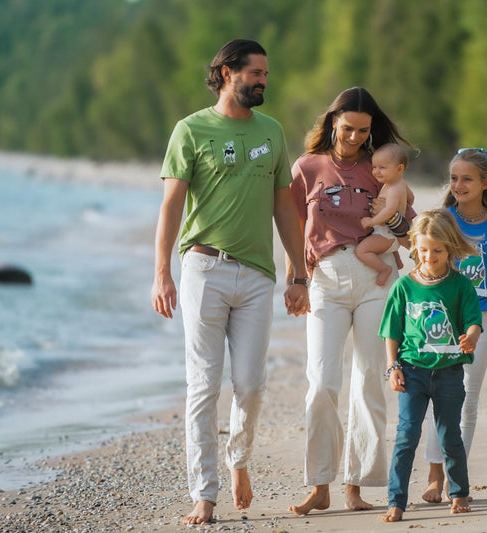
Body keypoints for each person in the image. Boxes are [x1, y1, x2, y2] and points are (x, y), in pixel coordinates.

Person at [150, 39, 309, 526]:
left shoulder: (272, 131)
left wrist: (298, 272)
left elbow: (285, 206)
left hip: (258, 276)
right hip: (204, 268)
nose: (263, 80)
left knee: (251, 386)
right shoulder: (191, 130)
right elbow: (172, 205)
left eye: (266, 74)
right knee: (203, 386)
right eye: (255, 73)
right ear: (225, 72)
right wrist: (161, 272)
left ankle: (238, 462)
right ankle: (204, 493)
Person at [287, 87, 416, 516]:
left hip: (376, 276)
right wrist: (296, 279)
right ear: (332, 123)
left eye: (363, 131)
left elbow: (409, 233)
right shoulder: (308, 167)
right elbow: (293, 227)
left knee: (368, 380)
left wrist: (392, 215)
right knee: (322, 382)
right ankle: (319, 484)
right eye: (347, 129)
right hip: (324, 278)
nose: (355, 138)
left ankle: (356, 485)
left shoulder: (380, 169)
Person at [420, 147, 487, 504]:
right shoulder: (441, 220)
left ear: (486, 182)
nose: (458, 184)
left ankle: (456, 478)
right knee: (438, 394)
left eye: (467, 178)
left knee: (466, 397)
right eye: (453, 178)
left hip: (480, 318)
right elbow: (421, 266)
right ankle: (434, 477)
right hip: (440, 315)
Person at [379, 209, 483, 522]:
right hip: (411, 371)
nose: (430, 256)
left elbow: (473, 322)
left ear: (450, 248)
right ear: (414, 248)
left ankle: (459, 492)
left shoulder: (461, 286)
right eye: (423, 250)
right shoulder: (403, 287)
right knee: (406, 436)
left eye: (437, 250)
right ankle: (396, 501)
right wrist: (392, 367)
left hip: (450, 372)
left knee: (450, 435)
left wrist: (472, 337)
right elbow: (391, 332)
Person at [356, 143, 410, 286]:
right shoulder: (401, 183)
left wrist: (371, 221)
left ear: (400, 169)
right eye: (374, 167)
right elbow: (411, 198)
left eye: (382, 168)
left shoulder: (393, 189)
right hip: (392, 234)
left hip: (386, 234)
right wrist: (404, 202)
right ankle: (397, 259)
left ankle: (384, 269)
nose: (376, 172)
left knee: (361, 251)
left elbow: (389, 211)